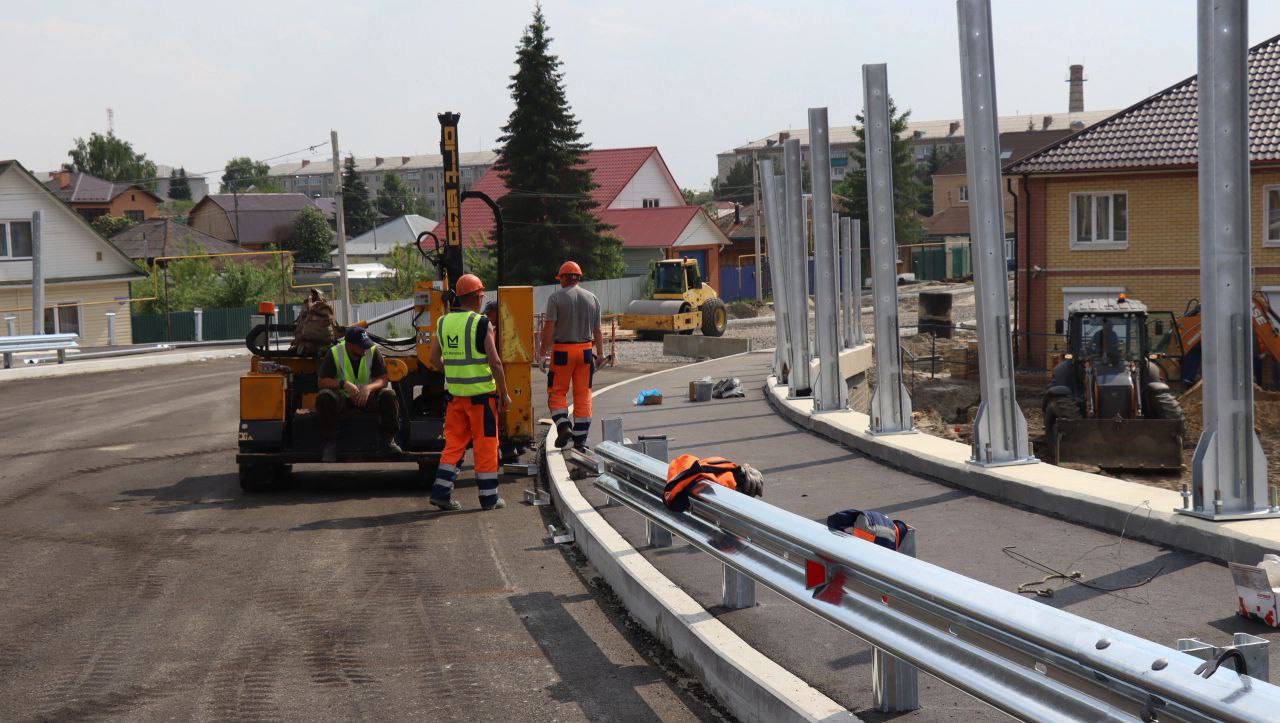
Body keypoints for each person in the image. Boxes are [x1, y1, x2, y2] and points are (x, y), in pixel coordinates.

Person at [428, 273, 512, 511]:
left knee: (453, 445)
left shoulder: (443, 322)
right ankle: (489, 498)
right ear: (476, 296)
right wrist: (504, 394)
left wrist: (453, 368)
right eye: (482, 295)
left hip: (455, 397)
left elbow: (434, 358)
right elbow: (495, 363)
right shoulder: (481, 323)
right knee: (485, 446)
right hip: (481, 399)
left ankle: (441, 493)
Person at [541, 260, 602, 450]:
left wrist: (542, 352)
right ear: (578, 277)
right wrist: (599, 354)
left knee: (557, 391)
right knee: (583, 394)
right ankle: (580, 440)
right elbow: (598, 330)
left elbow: (549, 327)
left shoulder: (556, 298)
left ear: (564, 278)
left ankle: (564, 426)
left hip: (562, 352)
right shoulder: (592, 298)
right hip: (585, 351)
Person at [316, 326, 401, 462]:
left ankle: (389, 440)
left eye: (366, 344)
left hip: (366, 398)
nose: (365, 348)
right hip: (343, 399)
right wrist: (343, 384)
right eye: (361, 346)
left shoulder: (372, 351)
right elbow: (322, 382)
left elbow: (383, 379)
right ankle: (330, 443)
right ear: (349, 345)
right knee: (325, 396)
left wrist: (368, 388)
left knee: (388, 395)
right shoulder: (335, 352)